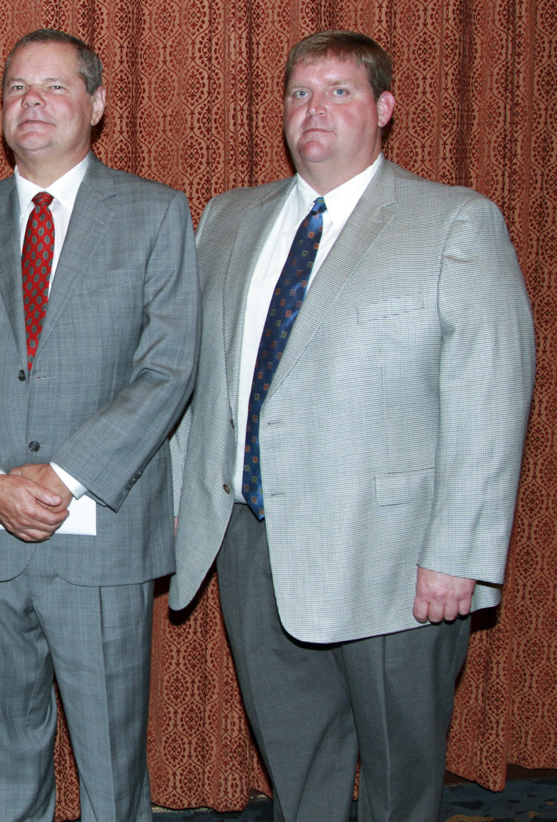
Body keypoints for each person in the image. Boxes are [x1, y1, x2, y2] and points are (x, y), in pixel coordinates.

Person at [169, 31, 535, 822]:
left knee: (402, 787)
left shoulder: (454, 223)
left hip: (396, 564)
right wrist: (183, 509)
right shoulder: (229, 219)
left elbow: (490, 402)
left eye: (340, 91)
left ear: (385, 108)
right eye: (301, 94)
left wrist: (459, 556)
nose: (316, 110)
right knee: (300, 774)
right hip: (251, 542)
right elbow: (199, 385)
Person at [0, 29, 198, 822]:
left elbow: (170, 367)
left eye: (54, 87)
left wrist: (61, 477)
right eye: (15, 88)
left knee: (111, 766)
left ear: (98, 104)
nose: (30, 102)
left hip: (100, 531)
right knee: (1, 758)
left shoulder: (154, 213)